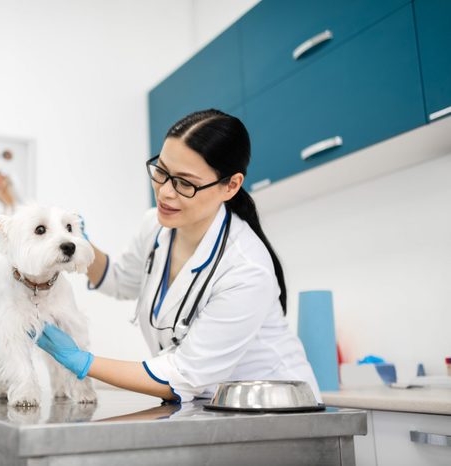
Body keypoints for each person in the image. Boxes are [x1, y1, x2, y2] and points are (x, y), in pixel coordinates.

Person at [32, 109, 321, 404]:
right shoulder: (155, 226)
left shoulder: (247, 269)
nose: (165, 192)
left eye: (185, 183)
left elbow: (185, 374)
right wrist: (80, 245)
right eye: (161, 171)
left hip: (273, 410)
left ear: (231, 186)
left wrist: (81, 361)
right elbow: (121, 281)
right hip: (207, 405)